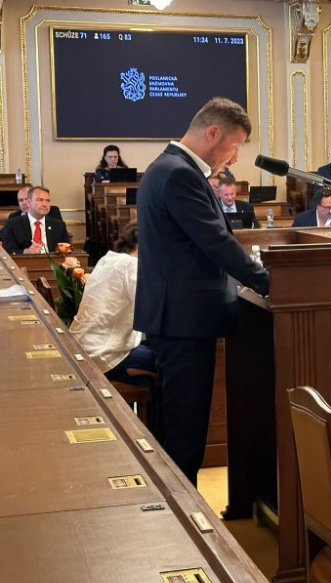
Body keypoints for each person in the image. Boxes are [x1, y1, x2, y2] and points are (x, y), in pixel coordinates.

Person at [134, 97, 270, 487]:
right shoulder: (179, 174)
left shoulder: (166, 168)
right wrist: (268, 281)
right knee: (184, 429)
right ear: (213, 133)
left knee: (175, 424)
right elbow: (216, 242)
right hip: (184, 322)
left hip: (176, 318)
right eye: (236, 144)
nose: (236, 157)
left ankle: (176, 515)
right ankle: (187, 528)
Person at [70, 220, 156, 387]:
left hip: (83, 347)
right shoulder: (131, 265)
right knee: (173, 362)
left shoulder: (108, 259)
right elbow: (150, 309)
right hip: (103, 353)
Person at [2, 186, 71, 254]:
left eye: (47, 201)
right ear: (29, 202)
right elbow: (8, 251)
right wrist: (25, 252)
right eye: (40, 200)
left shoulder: (59, 225)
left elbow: (68, 248)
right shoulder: (13, 224)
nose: (45, 204)